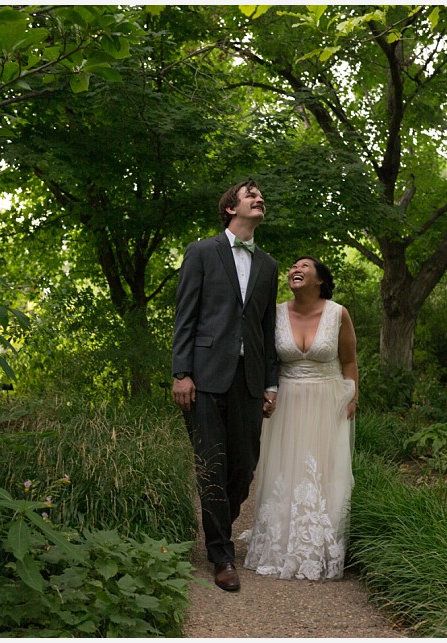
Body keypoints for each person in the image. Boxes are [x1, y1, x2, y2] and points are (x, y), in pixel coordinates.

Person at [172, 179, 280, 592]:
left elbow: (266, 329)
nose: (258, 197)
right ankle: (221, 553)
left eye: (260, 193)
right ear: (230, 208)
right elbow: (186, 315)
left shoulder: (268, 265)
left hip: (249, 379)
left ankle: (217, 524)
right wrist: (182, 372)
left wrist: (271, 382)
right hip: (204, 376)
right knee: (211, 465)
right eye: (250, 193)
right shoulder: (201, 252)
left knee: (243, 466)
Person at [242, 256, 358, 581]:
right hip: (288, 401)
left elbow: (349, 361)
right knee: (285, 471)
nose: (296, 269)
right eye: (293, 266)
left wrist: (353, 398)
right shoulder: (276, 313)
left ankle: (318, 548)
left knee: (324, 473)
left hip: (328, 400)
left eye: (305, 266)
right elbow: (266, 359)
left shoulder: (338, 314)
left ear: (320, 279)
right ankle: (279, 544)